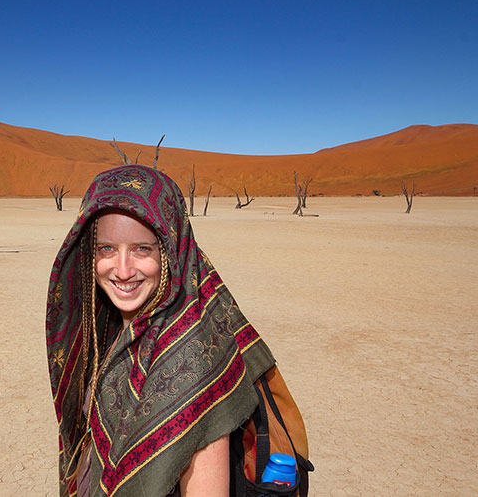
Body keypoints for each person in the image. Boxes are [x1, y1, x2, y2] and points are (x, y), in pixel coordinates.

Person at [46, 165, 307, 496]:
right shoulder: (109, 329)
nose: (122, 270)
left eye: (143, 249)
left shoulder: (190, 365)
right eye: (106, 248)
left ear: (171, 250)